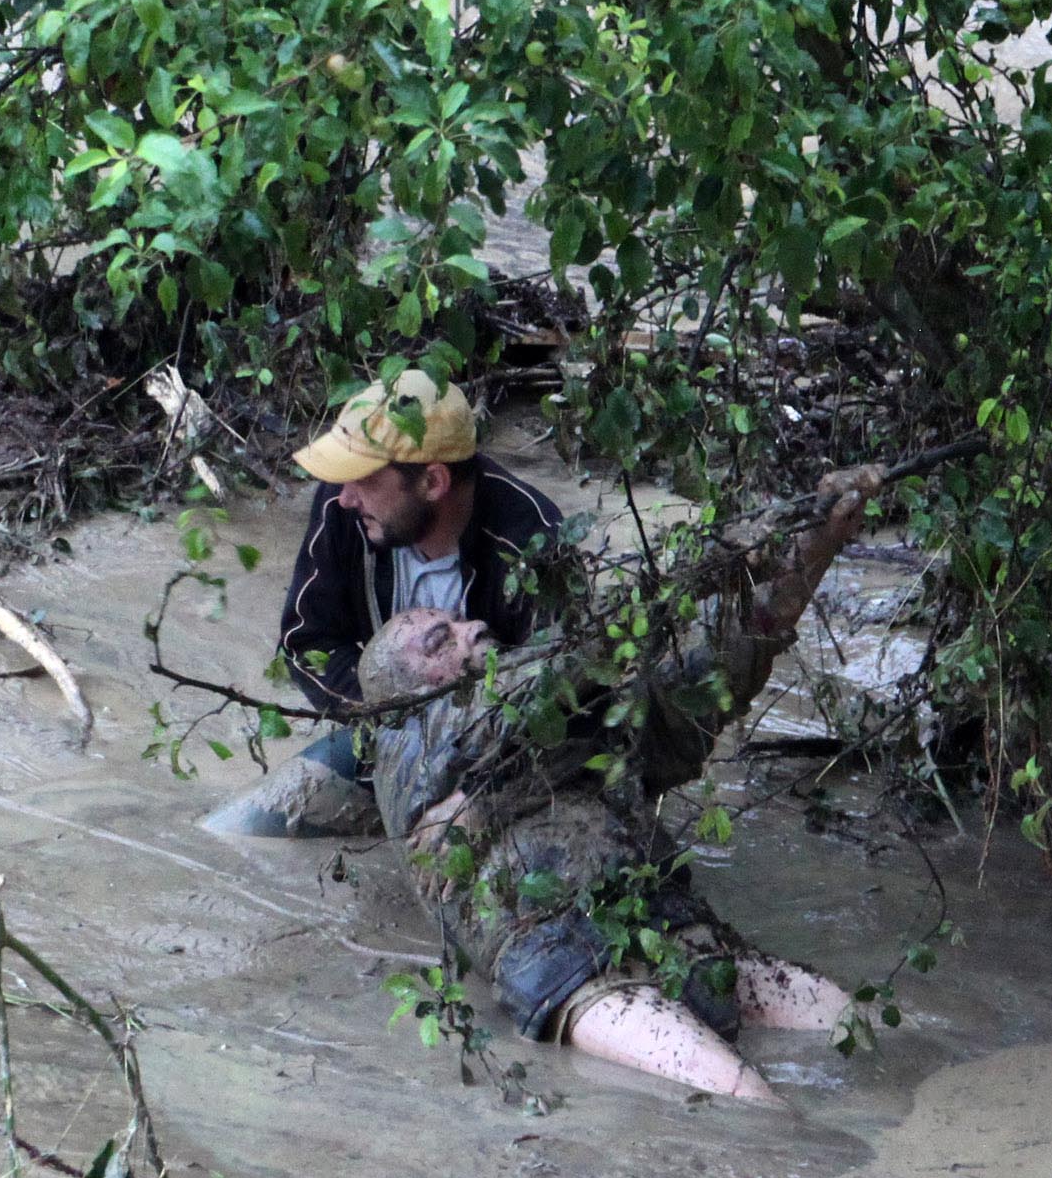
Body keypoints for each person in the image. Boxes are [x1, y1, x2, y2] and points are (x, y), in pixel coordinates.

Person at [361, 463, 885, 1101]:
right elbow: (539, 687)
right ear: (400, 694)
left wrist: (815, 543)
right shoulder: (410, 737)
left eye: (459, 621)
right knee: (749, 1101)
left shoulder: (572, 724)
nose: (472, 628)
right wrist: (721, 558)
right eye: (439, 641)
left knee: (861, 1025)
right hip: (568, 963)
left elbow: (699, 688)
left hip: (670, 927)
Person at [204, 372, 564, 837]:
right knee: (240, 828)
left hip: (501, 757)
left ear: (432, 481)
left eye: (364, 479)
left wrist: (480, 797)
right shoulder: (344, 506)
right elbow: (306, 643)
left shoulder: (532, 542)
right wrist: (390, 718)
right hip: (386, 733)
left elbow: (566, 700)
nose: (345, 496)